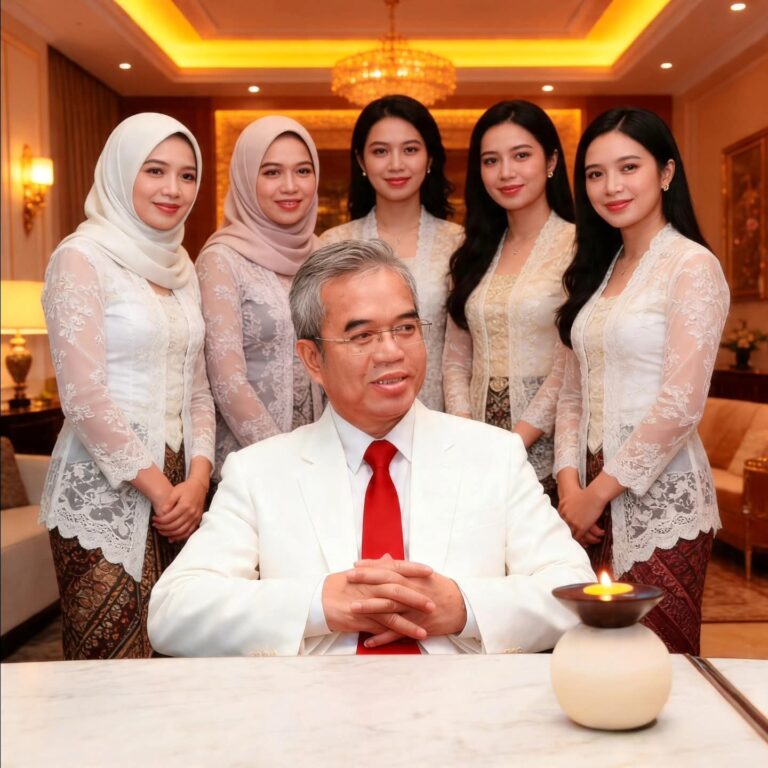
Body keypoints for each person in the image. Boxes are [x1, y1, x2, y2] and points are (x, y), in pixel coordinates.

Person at [148, 239, 595, 657]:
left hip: (462, 704)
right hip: (315, 708)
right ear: (313, 359)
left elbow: (576, 591)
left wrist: (464, 606)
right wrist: (320, 604)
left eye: (405, 328)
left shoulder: (494, 456)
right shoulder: (259, 472)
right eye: (362, 336)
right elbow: (173, 612)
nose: (391, 352)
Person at [554, 108, 730, 654]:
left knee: (659, 660)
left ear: (666, 172)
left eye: (628, 167)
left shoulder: (691, 266)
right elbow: (572, 393)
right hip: (586, 500)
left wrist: (597, 493)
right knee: (591, 657)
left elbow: (681, 404)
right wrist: (569, 487)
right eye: (596, 173)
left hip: (660, 502)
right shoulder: (598, 270)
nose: (611, 186)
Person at [40, 113, 215, 659]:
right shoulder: (80, 257)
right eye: (155, 170)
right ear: (120, 173)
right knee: (110, 664)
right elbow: (83, 397)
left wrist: (199, 481)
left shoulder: (181, 267)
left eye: (187, 175)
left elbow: (198, 389)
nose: (173, 189)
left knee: (183, 656)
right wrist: (161, 491)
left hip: (183, 491)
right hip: (104, 492)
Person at [444, 101, 575, 503]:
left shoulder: (579, 246)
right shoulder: (473, 253)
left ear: (551, 161)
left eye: (521, 155)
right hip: (475, 453)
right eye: (491, 160)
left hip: (548, 450)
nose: (505, 172)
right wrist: (467, 433)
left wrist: (514, 442)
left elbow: (569, 366)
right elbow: (455, 361)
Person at [196, 117, 324, 481]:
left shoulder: (323, 254)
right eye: (271, 172)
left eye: (303, 171)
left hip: (324, 458)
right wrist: (285, 464)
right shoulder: (221, 260)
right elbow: (226, 381)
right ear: (245, 178)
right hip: (252, 467)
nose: (290, 186)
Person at [319, 95, 463, 411]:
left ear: (430, 158)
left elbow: (462, 354)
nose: (396, 164)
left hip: (437, 417)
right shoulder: (333, 244)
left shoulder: (459, 243)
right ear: (361, 161)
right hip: (356, 416)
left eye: (410, 150)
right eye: (380, 151)